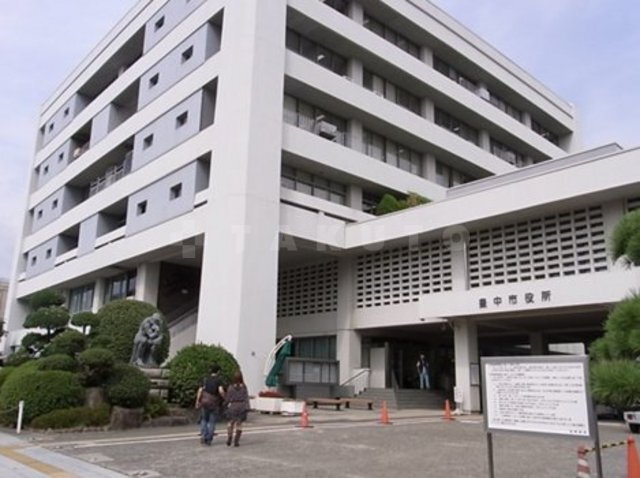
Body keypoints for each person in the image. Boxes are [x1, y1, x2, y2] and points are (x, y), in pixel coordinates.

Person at [195, 364, 225, 446]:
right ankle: (208, 439)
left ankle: (203, 436)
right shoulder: (218, 380)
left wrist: (198, 401)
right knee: (212, 421)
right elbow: (221, 391)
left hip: (204, 402)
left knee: (204, 419)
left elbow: (200, 390)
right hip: (214, 403)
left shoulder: (205, 379)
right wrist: (224, 397)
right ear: (218, 371)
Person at [224, 371, 250, 447]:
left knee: (230, 423)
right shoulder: (244, 387)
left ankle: (229, 437)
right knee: (239, 424)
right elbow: (246, 398)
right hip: (241, 406)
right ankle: (236, 441)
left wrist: (225, 404)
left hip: (233, 405)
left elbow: (228, 398)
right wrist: (247, 407)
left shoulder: (231, 387)